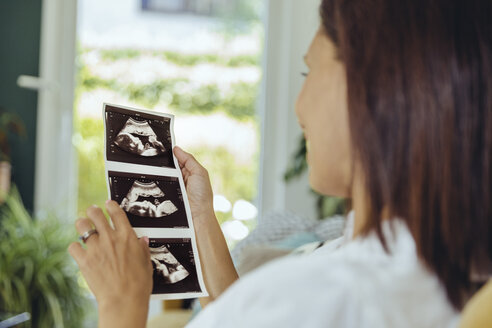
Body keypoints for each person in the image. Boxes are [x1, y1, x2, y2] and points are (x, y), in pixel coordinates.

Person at [68, 0, 492, 327]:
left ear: (369, 90)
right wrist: (201, 218)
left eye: (309, 74)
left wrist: (121, 305)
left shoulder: (323, 296)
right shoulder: (441, 272)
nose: (298, 106)